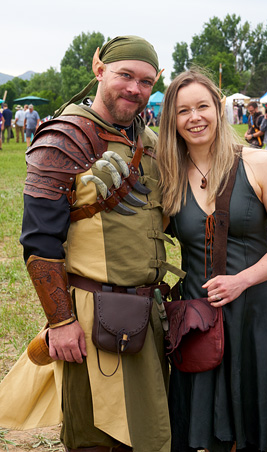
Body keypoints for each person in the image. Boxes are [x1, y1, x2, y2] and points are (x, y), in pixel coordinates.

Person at [0, 36, 183, 452]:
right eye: (125, 75)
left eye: (146, 81)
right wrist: (61, 323)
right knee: (98, 436)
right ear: (100, 69)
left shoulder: (148, 141)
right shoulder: (65, 138)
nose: (134, 89)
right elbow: (39, 242)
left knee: (150, 430)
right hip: (94, 316)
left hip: (148, 314)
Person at [157, 68, 267, 452]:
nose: (195, 117)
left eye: (203, 106)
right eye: (183, 110)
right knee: (207, 434)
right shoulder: (168, 177)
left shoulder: (259, 163)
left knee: (266, 426)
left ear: (219, 110)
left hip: (259, 314)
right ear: (172, 118)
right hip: (201, 322)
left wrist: (242, 280)